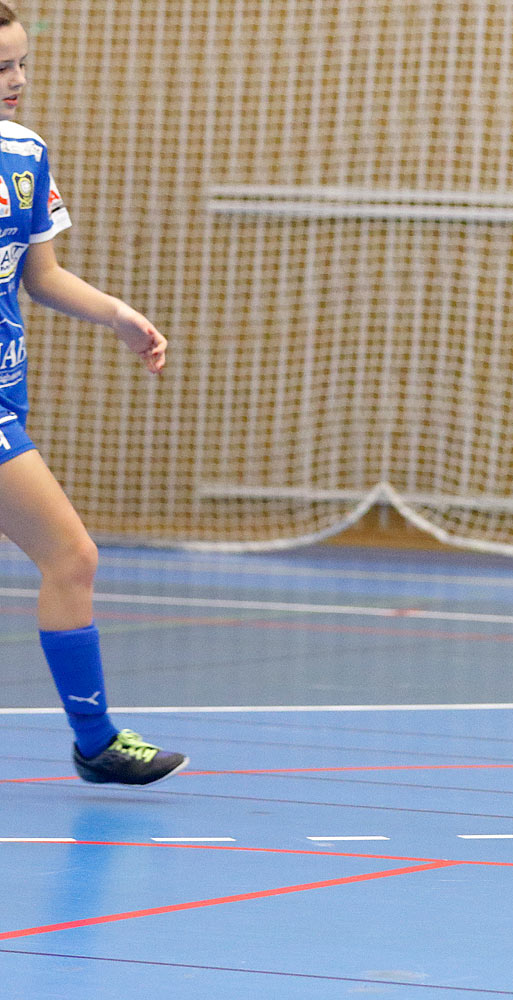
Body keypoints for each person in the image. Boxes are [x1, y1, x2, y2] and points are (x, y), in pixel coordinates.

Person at [0, 5, 186, 785]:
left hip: (9, 394)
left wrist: (116, 313)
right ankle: (96, 738)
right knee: (72, 554)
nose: (13, 82)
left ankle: (95, 742)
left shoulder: (26, 152)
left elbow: (39, 276)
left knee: (70, 558)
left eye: (20, 66)